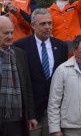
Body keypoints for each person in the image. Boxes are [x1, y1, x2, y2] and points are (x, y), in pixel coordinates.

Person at [14, 8, 68, 136]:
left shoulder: (61, 46)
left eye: (50, 23)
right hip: (32, 114)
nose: (47, 27)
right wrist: (29, 114)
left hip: (55, 113)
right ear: (33, 26)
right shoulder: (20, 46)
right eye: (43, 24)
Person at [0, 16, 37, 136]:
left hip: (18, 119)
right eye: (6, 33)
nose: (10, 36)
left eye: (12, 32)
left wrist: (31, 116)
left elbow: (27, 87)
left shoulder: (20, 54)